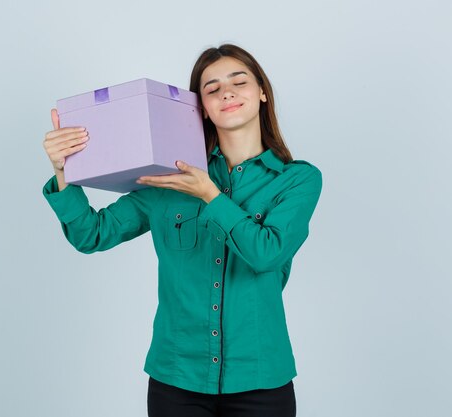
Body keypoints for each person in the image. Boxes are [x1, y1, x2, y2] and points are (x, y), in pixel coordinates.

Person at [42, 44, 322, 417]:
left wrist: (208, 194)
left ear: (262, 92)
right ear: (201, 109)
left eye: (239, 81)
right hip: (177, 378)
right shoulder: (167, 179)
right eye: (211, 89)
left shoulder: (297, 180)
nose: (227, 92)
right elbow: (92, 234)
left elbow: (266, 253)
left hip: (261, 379)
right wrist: (65, 172)